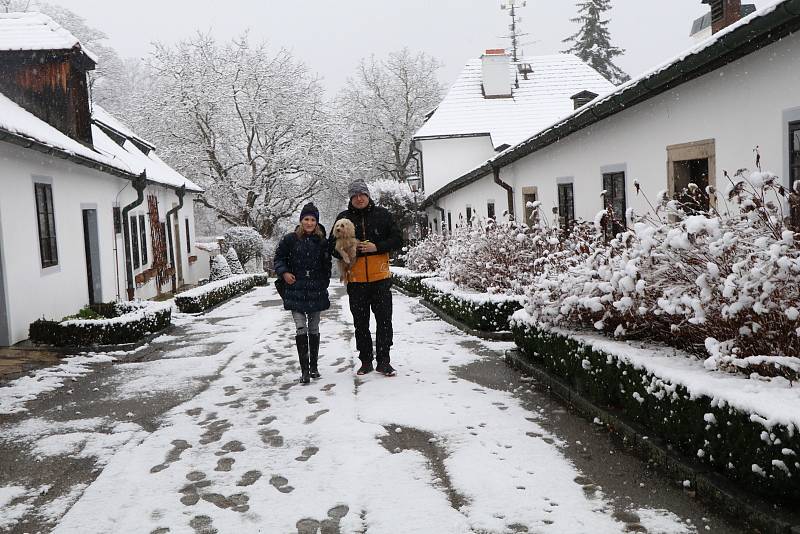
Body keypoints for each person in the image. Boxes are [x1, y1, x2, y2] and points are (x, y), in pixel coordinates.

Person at [329, 179, 403, 376]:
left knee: (384, 322)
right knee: (361, 324)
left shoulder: (383, 215)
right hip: (356, 281)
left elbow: (398, 239)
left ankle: (384, 361)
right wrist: (348, 252)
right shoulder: (343, 218)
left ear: (368, 196)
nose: (359, 198)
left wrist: (376, 247)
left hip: (380, 278)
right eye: (355, 195)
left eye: (362, 194)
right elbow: (331, 246)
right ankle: (365, 361)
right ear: (351, 198)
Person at [273, 203, 332, 384]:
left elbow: (327, 266)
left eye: (312, 219)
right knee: (301, 328)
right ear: (301, 221)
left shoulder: (322, 242)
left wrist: (323, 281)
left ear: (317, 222)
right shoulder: (290, 239)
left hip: (315, 290)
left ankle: (313, 367)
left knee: (314, 328)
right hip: (295, 289)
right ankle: (304, 370)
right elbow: (279, 258)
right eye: (306, 219)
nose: (309, 223)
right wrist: (284, 273)